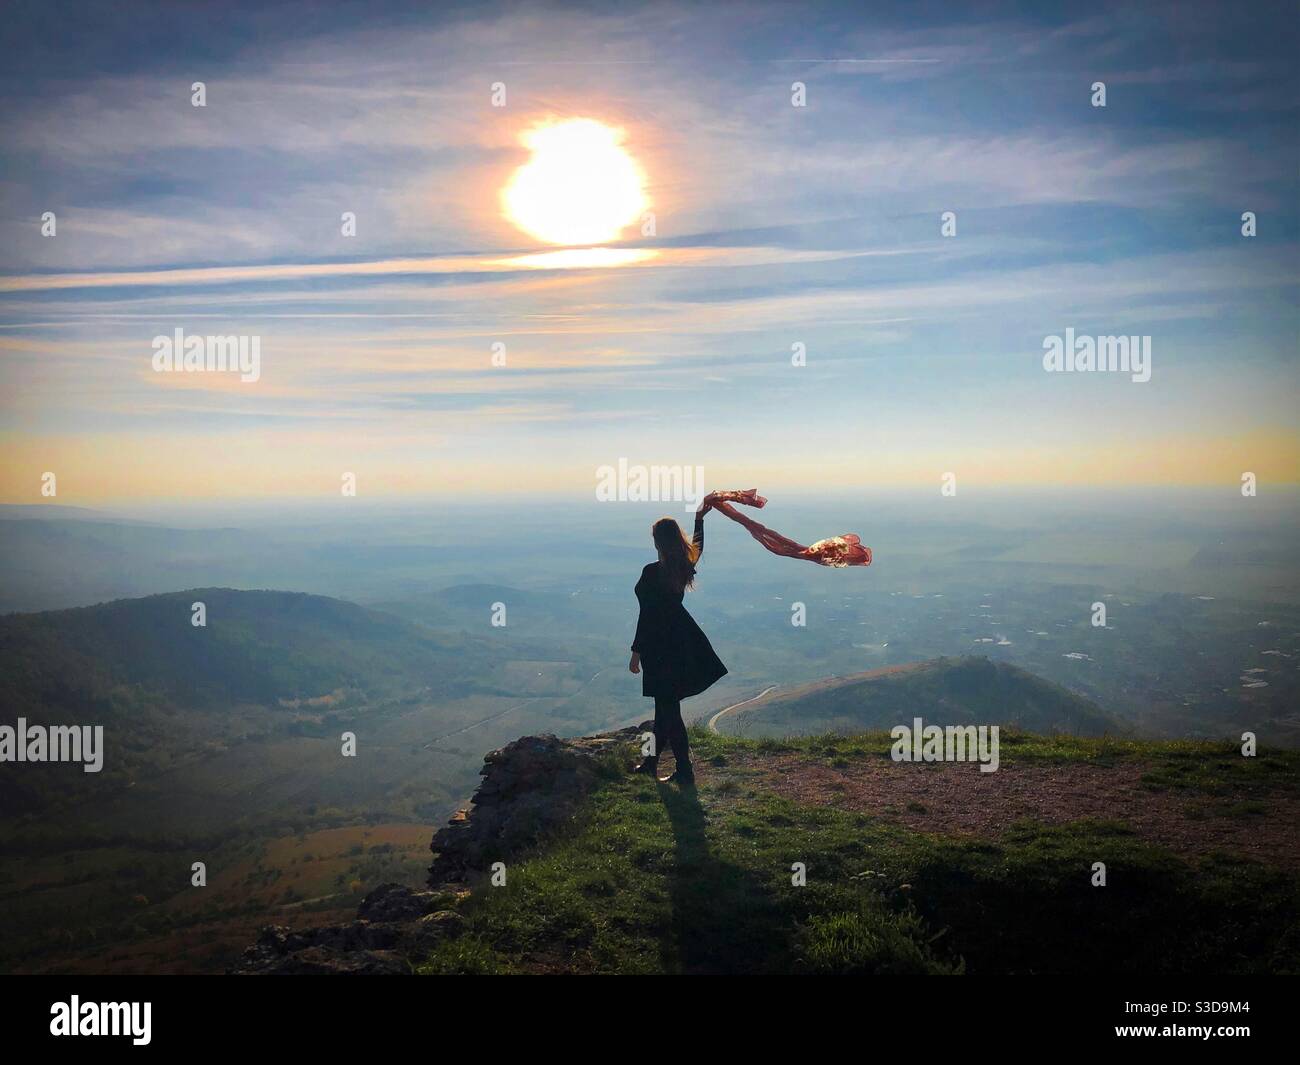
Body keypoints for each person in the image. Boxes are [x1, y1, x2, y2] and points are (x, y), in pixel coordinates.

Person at [628, 494, 728, 784]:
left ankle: (685, 771)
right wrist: (699, 519)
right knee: (663, 709)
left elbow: (646, 616)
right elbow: (697, 548)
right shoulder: (680, 566)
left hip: (659, 647)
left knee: (669, 711)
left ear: (658, 541)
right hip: (682, 640)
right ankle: (650, 764)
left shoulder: (652, 572)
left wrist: (635, 652)